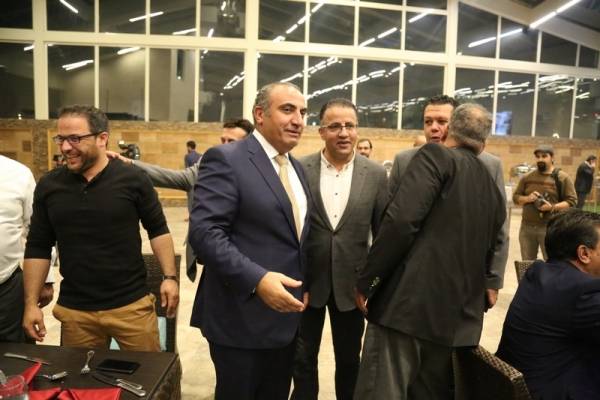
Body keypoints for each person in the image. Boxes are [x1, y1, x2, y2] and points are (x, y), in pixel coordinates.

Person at [354, 103, 506, 399]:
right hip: (455, 322)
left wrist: (368, 281)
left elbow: (400, 222)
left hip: (406, 310)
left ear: (449, 130)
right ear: (484, 142)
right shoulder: (491, 186)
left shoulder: (436, 156)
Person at [189, 82, 310, 400]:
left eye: (302, 112)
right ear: (260, 114)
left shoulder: (296, 168)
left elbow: (295, 239)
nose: (298, 120)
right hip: (240, 319)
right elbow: (205, 233)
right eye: (287, 110)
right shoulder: (227, 158)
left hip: (285, 321)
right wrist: (257, 280)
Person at [22, 105, 179, 351]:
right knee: (80, 376)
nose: (65, 147)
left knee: (147, 373)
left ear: (102, 138)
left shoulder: (133, 179)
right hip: (76, 312)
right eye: (61, 139)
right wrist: (31, 304)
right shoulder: (49, 186)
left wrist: (169, 277)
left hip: (131, 307)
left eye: (75, 138)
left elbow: (158, 229)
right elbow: (38, 246)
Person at [291, 99, 388, 400]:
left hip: (353, 288)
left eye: (349, 126)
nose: (343, 133)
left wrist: (371, 285)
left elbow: (383, 236)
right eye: (334, 126)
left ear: (357, 130)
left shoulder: (375, 174)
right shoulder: (299, 168)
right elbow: (290, 231)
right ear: (321, 131)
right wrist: (298, 282)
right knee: (302, 359)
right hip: (307, 286)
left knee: (349, 361)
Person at [389, 95, 509, 304]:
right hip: (409, 277)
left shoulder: (489, 165)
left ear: (455, 125)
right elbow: (390, 219)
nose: (433, 128)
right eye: (428, 122)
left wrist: (493, 279)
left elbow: (499, 228)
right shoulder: (404, 161)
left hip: (464, 278)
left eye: (442, 122)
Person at [107, 118, 253, 282]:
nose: (224, 145)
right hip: (213, 256)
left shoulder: (257, 169)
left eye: (231, 141)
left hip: (246, 256)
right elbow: (176, 178)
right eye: (222, 140)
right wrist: (130, 164)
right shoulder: (210, 162)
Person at [496, 209, 600, 399]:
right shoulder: (583, 291)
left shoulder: (537, 271)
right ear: (584, 253)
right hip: (552, 390)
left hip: (510, 385)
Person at [0, 156, 53, 342]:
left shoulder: (18, 173)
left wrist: (46, 280)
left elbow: (38, 230)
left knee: (15, 353)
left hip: (7, 287)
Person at [513, 144, 576, 260]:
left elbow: (571, 201)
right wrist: (528, 198)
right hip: (527, 228)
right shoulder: (527, 177)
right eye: (538, 157)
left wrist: (551, 207)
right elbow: (515, 198)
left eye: (544, 156)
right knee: (527, 263)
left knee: (552, 262)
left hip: (550, 228)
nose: (540, 159)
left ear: (552, 157)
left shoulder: (562, 178)